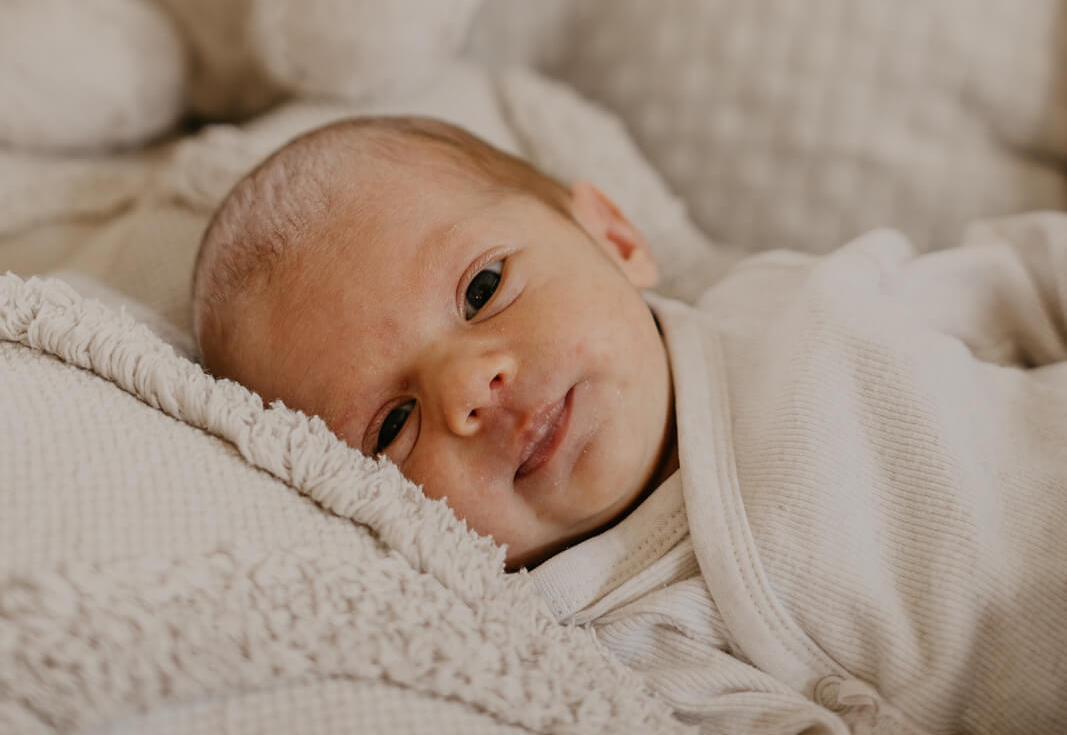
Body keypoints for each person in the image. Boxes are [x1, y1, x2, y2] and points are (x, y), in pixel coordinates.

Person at [192, 115, 1067, 735]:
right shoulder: (584, 644)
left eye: (483, 289)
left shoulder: (802, 310)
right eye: (391, 427)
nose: (471, 387)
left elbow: (1026, 279)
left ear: (613, 236)